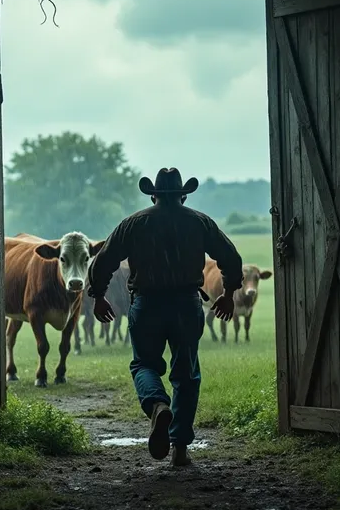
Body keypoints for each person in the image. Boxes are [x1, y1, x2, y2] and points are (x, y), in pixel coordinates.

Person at [87, 167, 244, 467]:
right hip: (187, 304)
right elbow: (230, 258)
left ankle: (158, 405)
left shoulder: (133, 223)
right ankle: (180, 451)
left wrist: (98, 295)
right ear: (183, 195)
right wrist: (227, 293)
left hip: (146, 304)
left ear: (154, 194)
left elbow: (103, 260)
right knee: (186, 374)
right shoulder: (200, 222)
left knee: (144, 364)